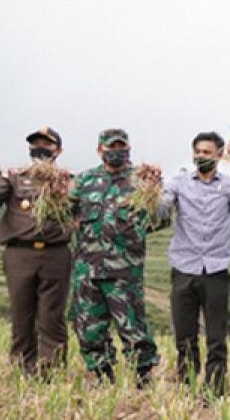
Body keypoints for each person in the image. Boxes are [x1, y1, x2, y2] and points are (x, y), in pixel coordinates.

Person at [159, 131, 230, 398]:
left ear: (219, 155)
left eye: (207, 153)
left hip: (216, 269)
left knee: (216, 336)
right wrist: (151, 195)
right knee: (185, 335)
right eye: (198, 152)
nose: (201, 157)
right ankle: (186, 385)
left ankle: (215, 389)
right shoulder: (178, 182)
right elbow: (162, 208)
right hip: (183, 267)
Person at [70, 128, 165, 386]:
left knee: (133, 329)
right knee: (89, 330)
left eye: (121, 146)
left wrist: (154, 190)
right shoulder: (84, 181)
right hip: (87, 270)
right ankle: (102, 377)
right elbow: (65, 211)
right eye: (110, 147)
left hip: (125, 271)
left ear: (129, 149)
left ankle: (143, 378)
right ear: (100, 150)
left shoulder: (140, 182)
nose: (116, 151)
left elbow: (161, 220)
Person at [0, 127, 73, 377]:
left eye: (47, 144)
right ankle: (23, 369)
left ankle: (53, 370)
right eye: (36, 144)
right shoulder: (14, 178)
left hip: (56, 255)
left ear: (58, 150)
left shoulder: (68, 181)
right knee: (22, 313)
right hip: (19, 255)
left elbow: (82, 214)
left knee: (52, 315)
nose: (40, 148)